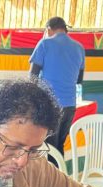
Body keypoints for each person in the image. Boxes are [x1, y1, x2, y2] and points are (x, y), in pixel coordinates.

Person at [29, 16, 85, 155]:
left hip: (50, 105)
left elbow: (32, 76)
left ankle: (50, 177)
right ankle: (59, 175)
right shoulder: (79, 47)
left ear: (48, 29)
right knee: (59, 147)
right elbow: (79, 80)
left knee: (49, 148)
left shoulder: (44, 44)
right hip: (70, 106)